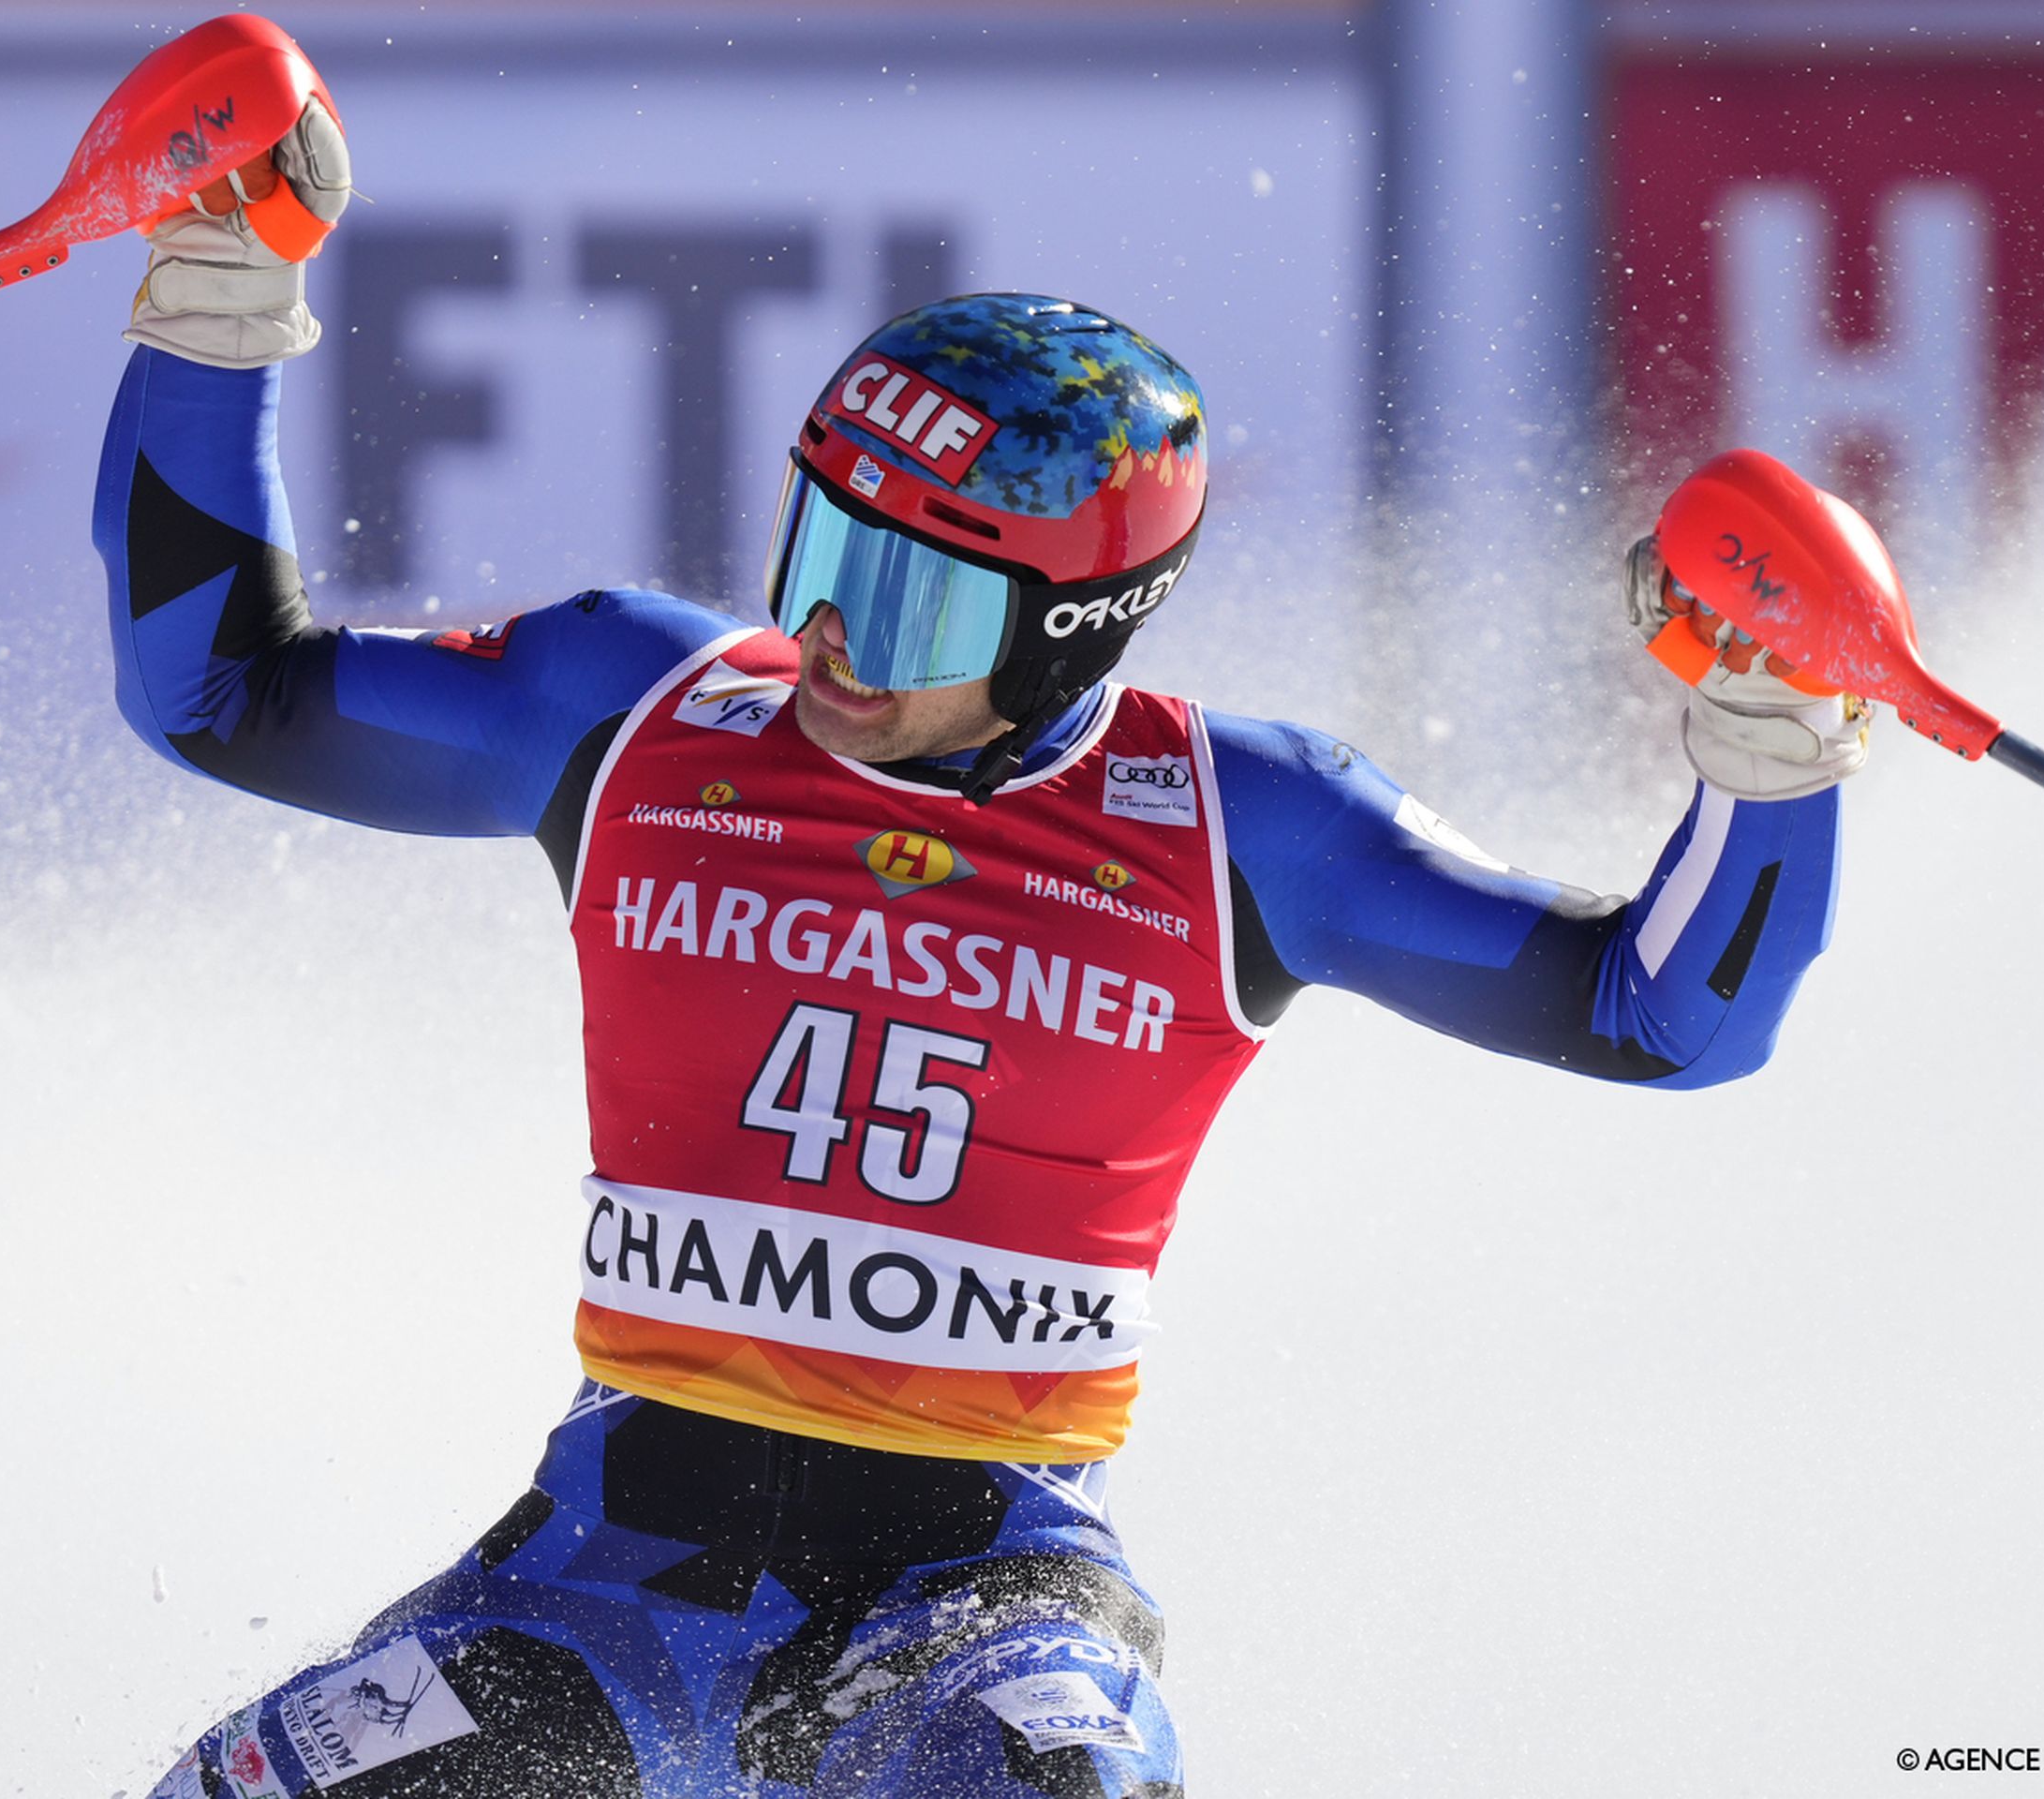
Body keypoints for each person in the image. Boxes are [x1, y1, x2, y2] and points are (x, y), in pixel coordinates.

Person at [106, 101, 1861, 1799]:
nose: (826, 642)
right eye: (818, 551)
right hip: (592, 1595)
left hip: (979, 1622)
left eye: (911, 598)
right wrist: (221, 304)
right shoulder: (634, 708)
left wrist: (1768, 752)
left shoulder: (1248, 824)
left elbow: (1660, 1021)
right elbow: (215, 695)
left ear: (1071, 624)